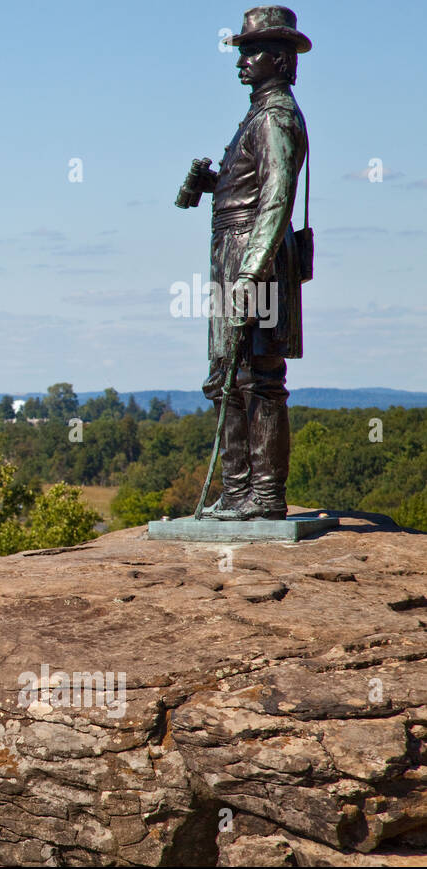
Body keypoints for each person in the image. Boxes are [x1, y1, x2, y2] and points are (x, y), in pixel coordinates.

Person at [191, 6, 310, 520]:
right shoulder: (256, 117)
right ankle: (237, 492)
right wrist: (211, 183)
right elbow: (249, 189)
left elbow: (277, 197)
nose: (241, 61)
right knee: (228, 375)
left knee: (258, 375)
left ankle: (263, 495)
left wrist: (249, 272)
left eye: (252, 51)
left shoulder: (277, 116)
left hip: (251, 257)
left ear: (280, 60)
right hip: (234, 252)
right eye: (240, 51)